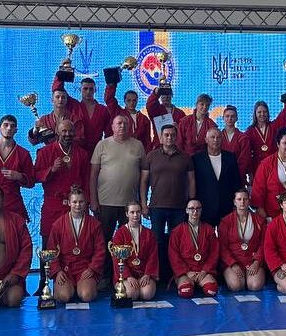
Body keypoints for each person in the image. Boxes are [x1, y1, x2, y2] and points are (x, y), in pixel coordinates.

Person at [140, 124, 195, 278]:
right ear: (161, 137)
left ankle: (176, 274)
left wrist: (191, 202)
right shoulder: (151, 156)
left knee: (176, 243)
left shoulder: (185, 157)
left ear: (176, 137)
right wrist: (143, 204)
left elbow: (191, 181)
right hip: (156, 207)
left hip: (179, 207)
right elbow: (143, 181)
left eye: (172, 135)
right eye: (166, 135)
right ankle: (157, 274)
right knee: (156, 241)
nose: (169, 137)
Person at [88, 115, 144, 246]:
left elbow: (144, 176)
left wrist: (142, 201)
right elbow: (93, 176)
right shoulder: (102, 145)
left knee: (129, 241)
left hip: (130, 204)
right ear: (112, 127)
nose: (122, 126)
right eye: (119, 123)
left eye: (125, 123)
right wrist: (93, 200)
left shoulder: (138, 145)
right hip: (105, 202)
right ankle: (105, 261)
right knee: (104, 240)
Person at [45, 188, 106, 303]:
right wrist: (57, 271)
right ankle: (69, 288)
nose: (78, 205)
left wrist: (92, 269)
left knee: (87, 296)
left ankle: (82, 287)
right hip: (65, 269)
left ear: (86, 202)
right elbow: (51, 250)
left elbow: (100, 251)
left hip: (85, 268)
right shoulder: (58, 225)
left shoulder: (95, 225)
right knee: (63, 297)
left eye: (81, 202)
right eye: (74, 202)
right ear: (69, 203)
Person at [33, 120, 90, 241]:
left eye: (70, 131)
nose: (67, 134)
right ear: (57, 132)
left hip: (75, 206)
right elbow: (35, 176)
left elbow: (86, 181)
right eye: (64, 131)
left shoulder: (82, 154)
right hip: (53, 205)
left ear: (75, 132)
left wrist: (85, 202)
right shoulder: (44, 152)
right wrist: (52, 169)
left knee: (76, 242)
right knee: (49, 243)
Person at [0, 115, 35, 221]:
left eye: (12, 126)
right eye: (6, 125)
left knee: (15, 231)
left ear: (16, 130)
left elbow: (31, 182)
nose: (9, 128)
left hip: (13, 202)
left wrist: (19, 176)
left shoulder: (23, 154)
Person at [168, 200, 221, 297]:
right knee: (186, 292)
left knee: (211, 290)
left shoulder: (209, 229)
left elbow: (214, 253)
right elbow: (173, 255)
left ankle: (199, 284)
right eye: (191, 208)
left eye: (198, 209)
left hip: (203, 270)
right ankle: (187, 283)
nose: (195, 211)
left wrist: (205, 270)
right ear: (187, 210)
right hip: (185, 272)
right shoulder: (177, 231)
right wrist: (186, 272)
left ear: (201, 210)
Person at [219, 189, 266, 292]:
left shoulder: (259, 220)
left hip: (252, 260)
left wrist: (256, 262)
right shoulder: (225, 222)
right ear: (234, 202)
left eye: (245, 199)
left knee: (255, 286)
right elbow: (222, 247)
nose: (242, 202)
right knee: (236, 286)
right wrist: (232, 264)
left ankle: (249, 277)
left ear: (249, 201)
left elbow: (263, 244)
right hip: (234, 261)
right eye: (239, 199)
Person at [109, 202, 159, 300]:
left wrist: (147, 274)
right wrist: (128, 276)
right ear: (127, 214)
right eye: (132, 212)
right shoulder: (119, 233)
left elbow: (153, 256)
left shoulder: (149, 233)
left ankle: (142, 286)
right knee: (132, 295)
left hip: (144, 273)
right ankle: (126, 285)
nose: (135, 215)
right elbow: (117, 259)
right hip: (127, 275)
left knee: (147, 294)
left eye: (138, 212)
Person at [193, 128, 242, 225]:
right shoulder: (196, 159)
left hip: (226, 207)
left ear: (222, 139)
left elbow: (236, 182)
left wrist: (236, 204)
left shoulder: (230, 157)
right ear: (206, 140)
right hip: (204, 208)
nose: (216, 140)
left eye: (218, 137)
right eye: (212, 137)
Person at [55, 76, 112, 147]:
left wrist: (107, 148)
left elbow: (109, 133)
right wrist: (61, 74)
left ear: (95, 90)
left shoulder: (103, 110)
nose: (88, 92)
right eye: (85, 88)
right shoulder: (74, 106)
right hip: (77, 149)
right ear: (80, 89)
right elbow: (58, 89)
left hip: (97, 149)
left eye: (91, 89)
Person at [245, 97, 286, 169]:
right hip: (257, 167)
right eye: (259, 112)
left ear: (268, 113)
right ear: (255, 114)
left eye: (265, 112)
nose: (262, 114)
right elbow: (245, 150)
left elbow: (285, 116)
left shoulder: (274, 126)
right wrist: (249, 170)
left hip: (275, 165)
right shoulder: (250, 131)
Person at [103, 80, 152, 147]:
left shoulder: (144, 119)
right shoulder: (118, 113)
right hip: (120, 149)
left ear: (137, 101)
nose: (132, 103)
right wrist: (111, 84)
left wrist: (146, 153)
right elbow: (109, 99)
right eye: (129, 100)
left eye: (134, 100)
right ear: (124, 101)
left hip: (137, 151)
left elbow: (147, 141)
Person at [219, 105, 255, 183]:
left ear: (236, 118)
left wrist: (234, 174)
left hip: (238, 177)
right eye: (227, 116)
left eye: (232, 116)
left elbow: (244, 160)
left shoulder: (243, 138)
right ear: (223, 118)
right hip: (221, 176)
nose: (230, 119)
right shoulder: (218, 137)